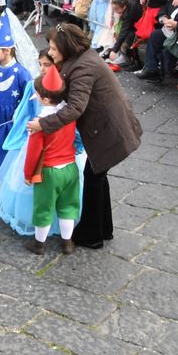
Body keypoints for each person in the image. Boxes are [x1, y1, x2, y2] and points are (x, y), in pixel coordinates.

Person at [28, 23, 141, 249]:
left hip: (109, 129)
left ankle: (91, 236)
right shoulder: (81, 59)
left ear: (66, 46)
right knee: (97, 175)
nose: (50, 52)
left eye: (53, 48)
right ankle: (103, 229)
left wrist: (43, 124)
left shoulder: (83, 67)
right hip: (108, 126)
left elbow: (75, 108)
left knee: (94, 177)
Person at [21, 64, 81, 255]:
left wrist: (28, 174)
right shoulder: (69, 114)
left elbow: (33, 153)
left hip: (49, 171)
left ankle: (39, 244)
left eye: (38, 95)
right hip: (70, 168)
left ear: (45, 99)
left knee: (43, 208)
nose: (36, 97)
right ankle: (67, 243)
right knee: (68, 206)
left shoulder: (39, 124)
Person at [0, 13, 32, 173]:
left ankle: (10, 180)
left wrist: (20, 115)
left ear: (7, 50)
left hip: (13, 118)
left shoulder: (21, 73)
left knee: (13, 150)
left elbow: (28, 97)